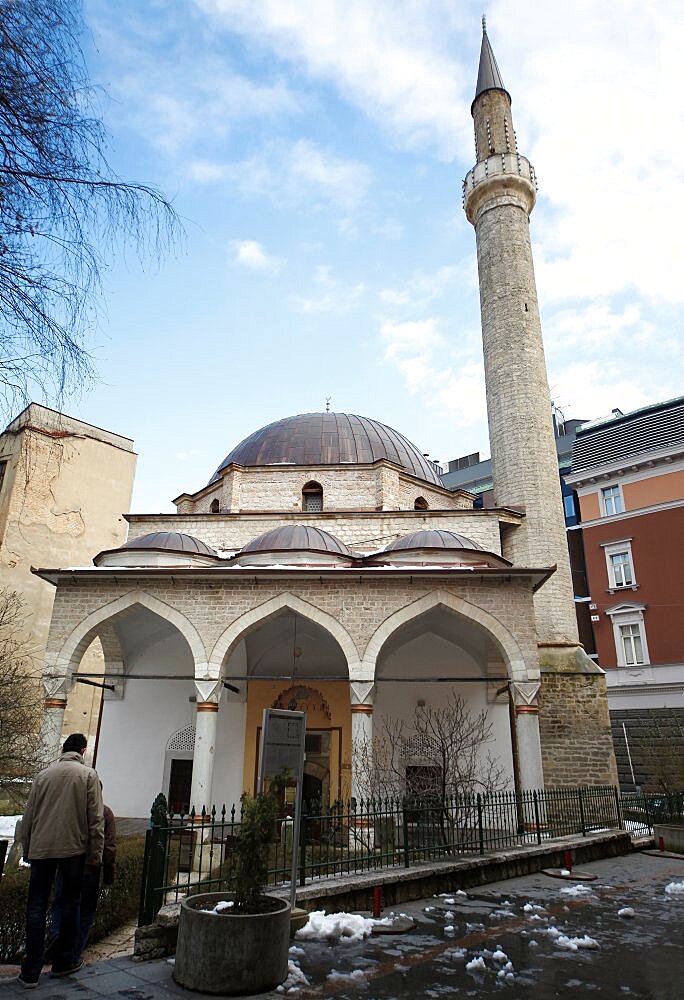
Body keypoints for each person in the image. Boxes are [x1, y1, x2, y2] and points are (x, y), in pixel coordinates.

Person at [18, 733, 104, 988]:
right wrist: (95, 854)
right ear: (83, 750)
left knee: (36, 908)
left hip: (42, 850)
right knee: (70, 904)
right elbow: (95, 820)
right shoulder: (88, 776)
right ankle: (64, 962)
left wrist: (27, 849)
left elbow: (28, 817)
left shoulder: (43, 776)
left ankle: (30, 970)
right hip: (72, 851)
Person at [47, 787, 116, 962]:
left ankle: (57, 935)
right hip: (90, 867)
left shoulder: (71, 811)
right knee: (85, 911)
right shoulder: (105, 812)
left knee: (61, 902)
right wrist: (108, 872)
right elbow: (109, 846)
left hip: (67, 862)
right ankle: (73, 954)